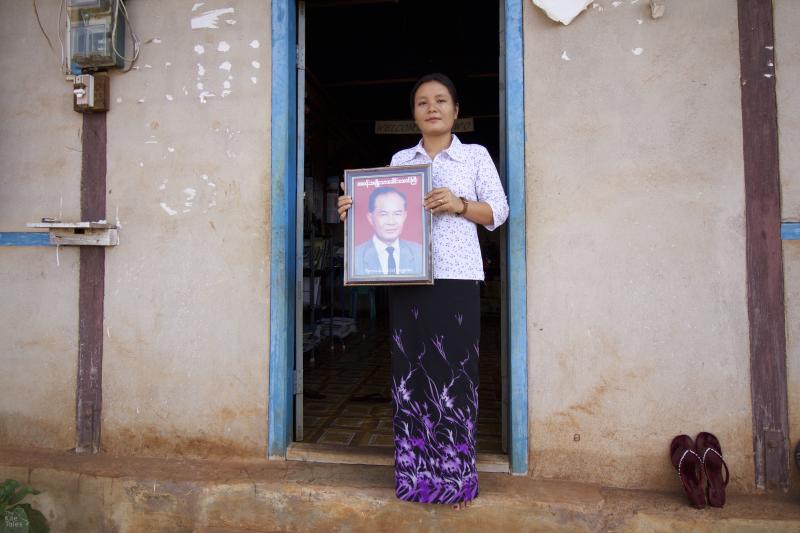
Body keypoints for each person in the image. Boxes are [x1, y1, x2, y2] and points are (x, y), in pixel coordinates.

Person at [338, 73, 509, 510]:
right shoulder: (400, 159)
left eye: (440, 100)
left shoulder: (474, 156)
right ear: (413, 113)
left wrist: (459, 205)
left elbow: (500, 211)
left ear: (455, 110)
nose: (431, 108)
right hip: (408, 280)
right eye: (421, 102)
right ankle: (415, 478)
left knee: (454, 375)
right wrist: (353, 209)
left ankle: (454, 479)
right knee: (411, 376)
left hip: (456, 279)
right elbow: (384, 208)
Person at [353, 186, 423, 276]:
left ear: (405, 216)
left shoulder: (420, 253)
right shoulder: (355, 256)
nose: (391, 222)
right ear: (370, 218)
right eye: (383, 214)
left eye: (397, 214)